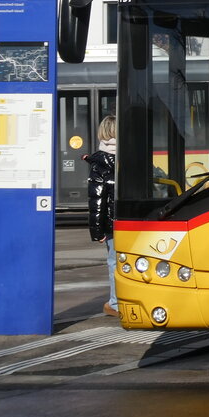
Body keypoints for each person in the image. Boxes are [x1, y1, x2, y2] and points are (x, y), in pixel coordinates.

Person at [84, 115, 118, 317]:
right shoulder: (131, 156)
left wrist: (97, 232)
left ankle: (116, 303)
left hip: (112, 224)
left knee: (114, 261)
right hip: (132, 220)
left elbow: (96, 200)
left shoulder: (100, 163)